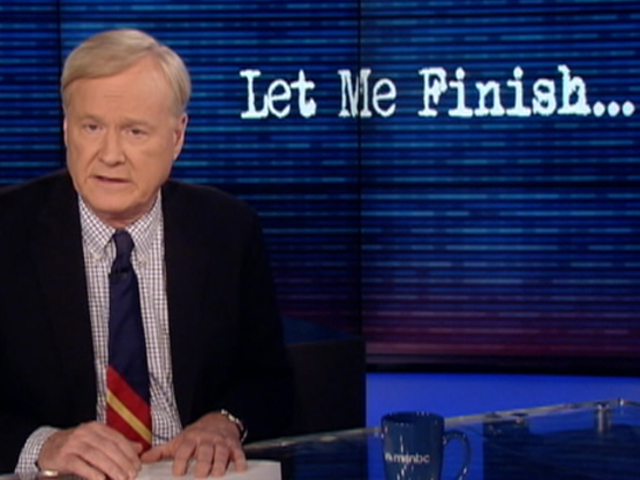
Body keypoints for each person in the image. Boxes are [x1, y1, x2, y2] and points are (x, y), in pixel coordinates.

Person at [0, 29, 293, 480]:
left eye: (135, 131)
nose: (110, 155)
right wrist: (44, 444)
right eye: (92, 127)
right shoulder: (8, 231)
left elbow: (268, 380)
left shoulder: (228, 230)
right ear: (66, 129)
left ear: (177, 137)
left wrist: (225, 421)